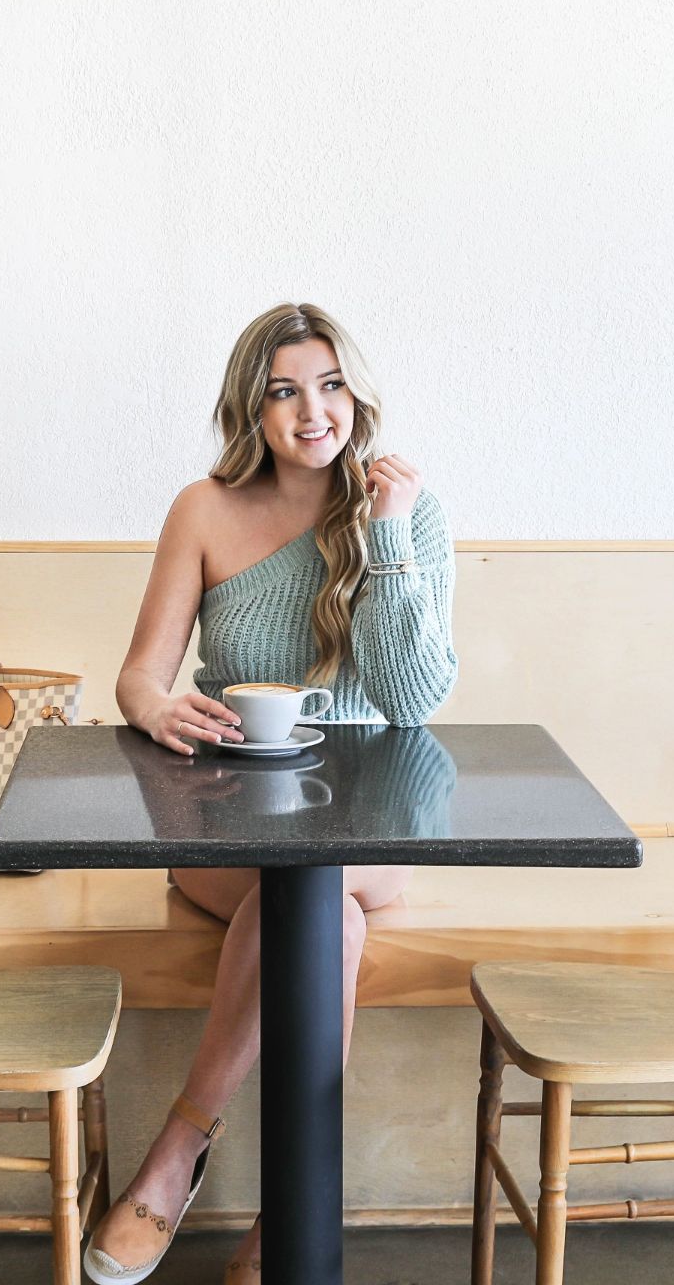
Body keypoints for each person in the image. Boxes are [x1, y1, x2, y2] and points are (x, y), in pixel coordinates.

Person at [83, 301, 458, 1285]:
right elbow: (137, 677)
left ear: (357, 393)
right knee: (315, 910)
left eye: (329, 385)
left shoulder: (405, 510)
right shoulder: (201, 510)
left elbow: (412, 702)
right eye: (284, 392)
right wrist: (160, 708)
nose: (311, 412)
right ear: (250, 412)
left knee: (320, 890)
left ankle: (177, 1153)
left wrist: (385, 535)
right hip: (223, 815)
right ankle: (291, 1215)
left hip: (370, 819)